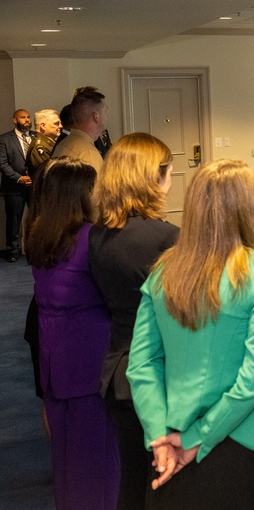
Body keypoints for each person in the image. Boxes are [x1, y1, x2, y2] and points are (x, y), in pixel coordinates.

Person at [127, 159, 254, 509]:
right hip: (242, 443)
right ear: (244, 210)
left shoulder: (163, 271)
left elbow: (141, 365)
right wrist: (198, 438)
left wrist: (158, 436)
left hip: (169, 442)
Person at [89, 133, 179, 509]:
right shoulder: (167, 237)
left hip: (117, 372)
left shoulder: (98, 234)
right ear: (152, 177)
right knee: (166, 482)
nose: (171, 182)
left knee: (132, 478)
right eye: (169, 173)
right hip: (159, 374)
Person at [23, 157, 120, 509]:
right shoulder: (91, 240)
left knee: (67, 463)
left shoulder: (39, 238)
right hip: (90, 363)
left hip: (54, 361)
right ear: (80, 194)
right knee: (98, 464)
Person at [1, 109, 33, 262]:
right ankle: (13, 251)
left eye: (28, 117)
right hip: (14, 187)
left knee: (36, 219)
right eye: (23, 117)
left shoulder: (36, 137)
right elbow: (3, 164)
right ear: (15, 120)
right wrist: (19, 178)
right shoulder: (5, 139)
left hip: (34, 186)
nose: (26, 120)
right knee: (14, 220)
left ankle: (34, 249)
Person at [52, 87, 108, 171]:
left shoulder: (62, 144)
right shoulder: (88, 153)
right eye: (105, 111)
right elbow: (95, 184)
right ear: (96, 116)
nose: (107, 116)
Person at [27, 109, 63, 176]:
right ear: (43, 126)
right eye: (56, 123)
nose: (60, 126)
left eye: (60, 123)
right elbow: (47, 173)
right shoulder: (40, 147)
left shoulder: (47, 143)